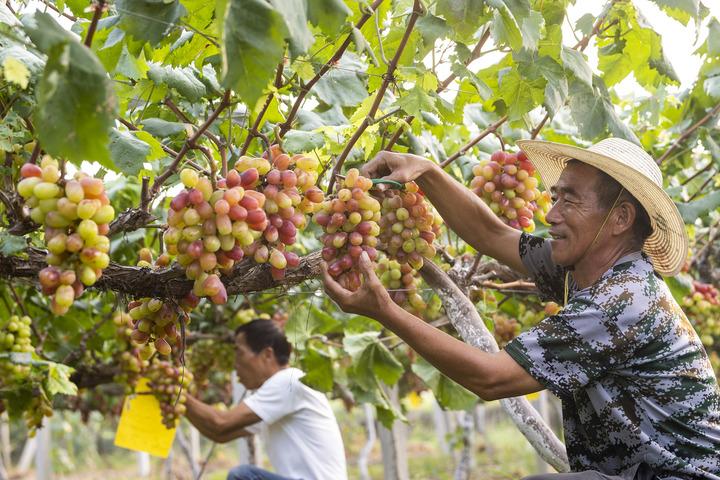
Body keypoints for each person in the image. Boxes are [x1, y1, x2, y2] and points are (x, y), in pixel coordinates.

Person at [321, 138, 720, 480]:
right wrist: (425, 170)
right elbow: (491, 233)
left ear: (619, 218)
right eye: (555, 197)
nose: (551, 215)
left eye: (571, 200)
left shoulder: (623, 298)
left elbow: (492, 378)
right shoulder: (583, 270)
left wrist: (386, 311)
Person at [184, 318, 348, 480]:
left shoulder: (288, 381)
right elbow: (220, 434)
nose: (235, 364)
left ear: (267, 355)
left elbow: (221, 423)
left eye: (239, 353)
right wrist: (174, 402)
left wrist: (179, 396)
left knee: (242, 475)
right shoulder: (279, 392)